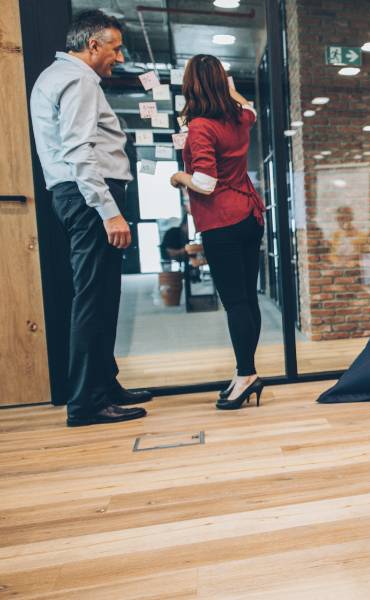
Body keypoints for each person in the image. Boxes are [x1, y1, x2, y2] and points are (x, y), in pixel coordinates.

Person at [30, 10, 153, 427]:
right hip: (88, 198)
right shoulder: (79, 79)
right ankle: (86, 403)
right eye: (115, 48)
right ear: (93, 44)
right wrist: (109, 212)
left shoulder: (54, 76)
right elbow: (80, 153)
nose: (118, 57)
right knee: (93, 300)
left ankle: (104, 384)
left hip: (74, 196)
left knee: (102, 297)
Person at [169, 54, 267, 410]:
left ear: (191, 84)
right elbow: (252, 110)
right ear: (221, 84)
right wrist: (235, 92)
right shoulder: (238, 117)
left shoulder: (201, 127)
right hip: (250, 215)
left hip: (222, 221)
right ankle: (247, 372)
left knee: (235, 302)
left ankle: (245, 375)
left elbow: (205, 183)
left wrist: (178, 177)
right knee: (247, 299)